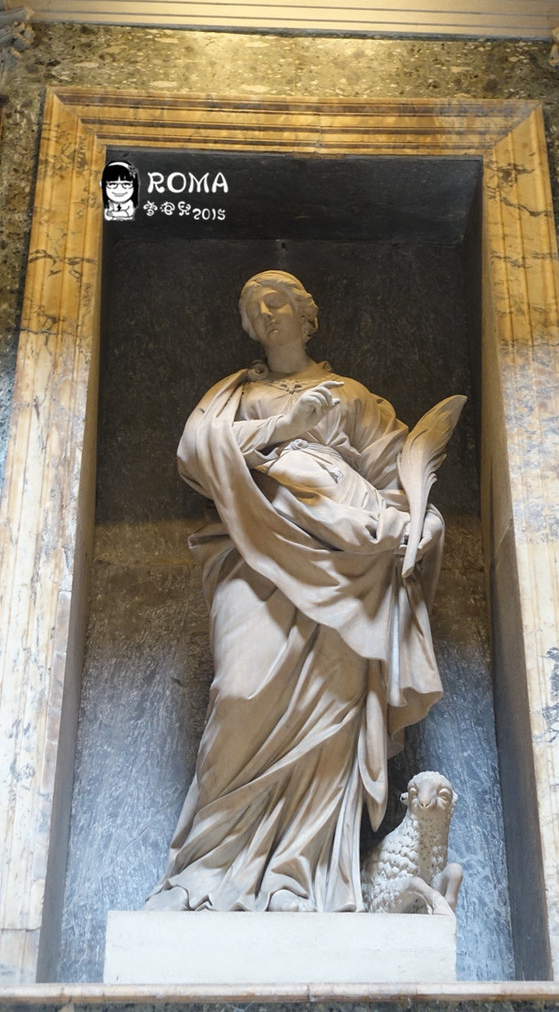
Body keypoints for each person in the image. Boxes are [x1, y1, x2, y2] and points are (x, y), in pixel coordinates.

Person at [145, 270, 446, 913]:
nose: (265, 311)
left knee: (331, 708)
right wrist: (285, 424)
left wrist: (422, 525)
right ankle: (204, 872)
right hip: (255, 546)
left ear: (307, 316)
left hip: (347, 560)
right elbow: (196, 456)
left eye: (277, 300)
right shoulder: (234, 396)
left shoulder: (354, 397)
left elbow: (401, 479)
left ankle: (295, 876)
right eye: (253, 306)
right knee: (240, 689)